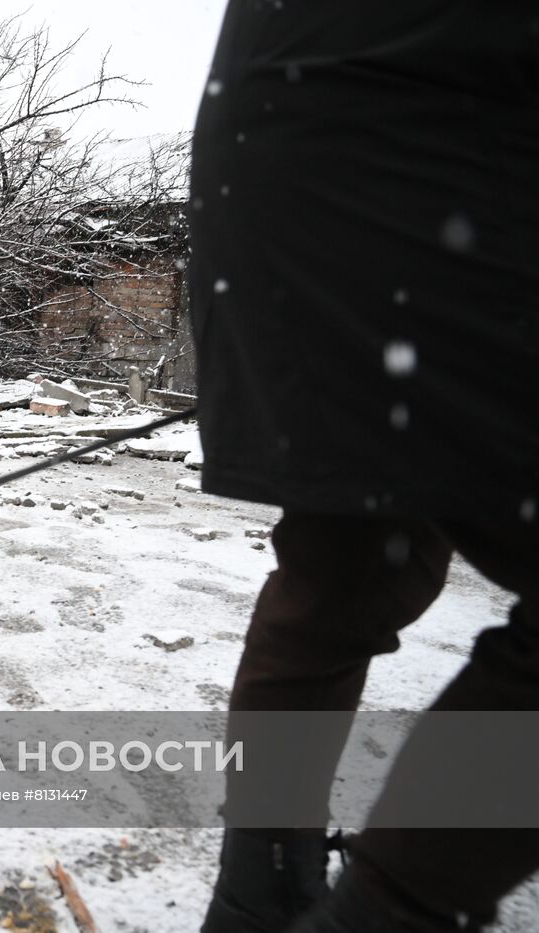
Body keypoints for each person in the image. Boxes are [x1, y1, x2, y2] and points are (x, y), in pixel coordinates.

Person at [189, 2, 538, 932]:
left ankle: (261, 890)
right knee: (354, 556)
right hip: (439, 148)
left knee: (352, 559)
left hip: (279, 155)